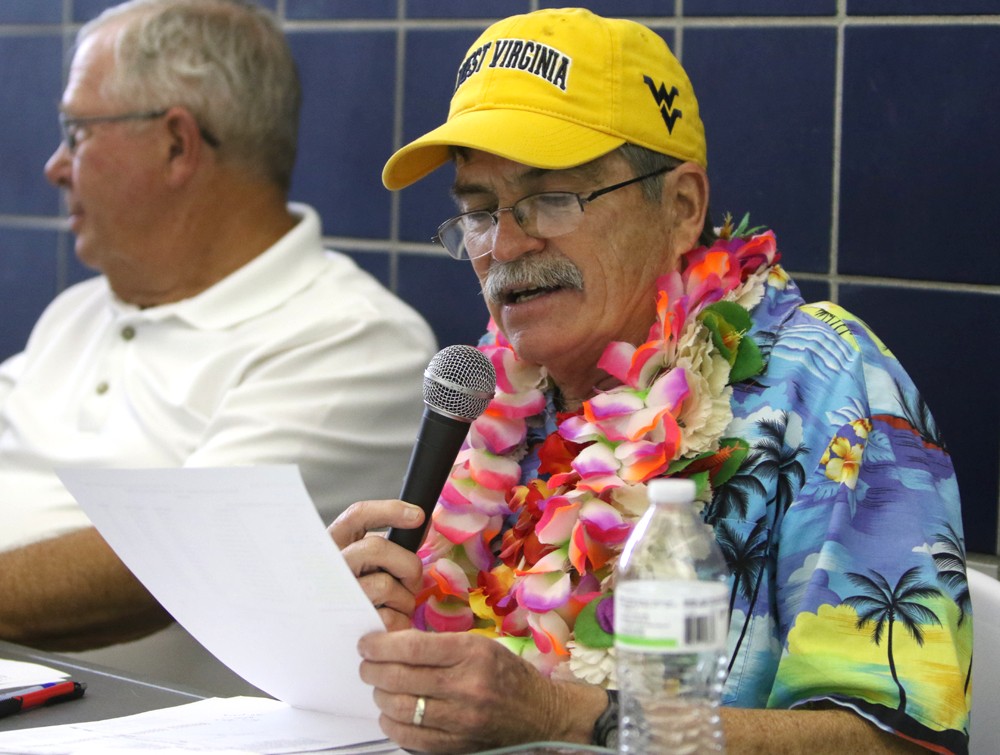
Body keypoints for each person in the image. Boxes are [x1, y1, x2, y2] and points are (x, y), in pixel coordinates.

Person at [331, 8, 971, 754]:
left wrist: (564, 714)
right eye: (479, 210)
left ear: (681, 207)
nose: (503, 243)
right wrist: (371, 633)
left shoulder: (828, 384)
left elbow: (900, 744)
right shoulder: (488, 402)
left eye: (552, 197)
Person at [0, 0, 436, 686]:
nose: (57, 166)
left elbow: (164, 567)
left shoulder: (352, 343)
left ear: (177, 143)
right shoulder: (77, 314)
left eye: (77, 132)